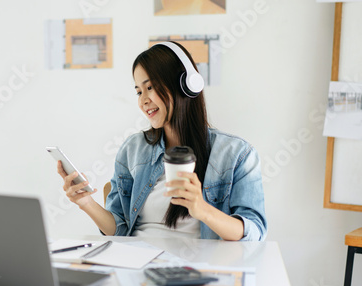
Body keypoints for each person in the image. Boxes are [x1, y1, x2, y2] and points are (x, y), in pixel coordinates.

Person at [57, 41, 267, 241]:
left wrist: (202, 209)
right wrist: (85, 202)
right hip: (137, 265)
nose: (143, 100)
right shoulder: (133, 149)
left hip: (195, 268)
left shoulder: (237, 154)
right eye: (139, 91)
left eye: (150, 88)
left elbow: (254, 231)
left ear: (186, 85)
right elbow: (119, 231)